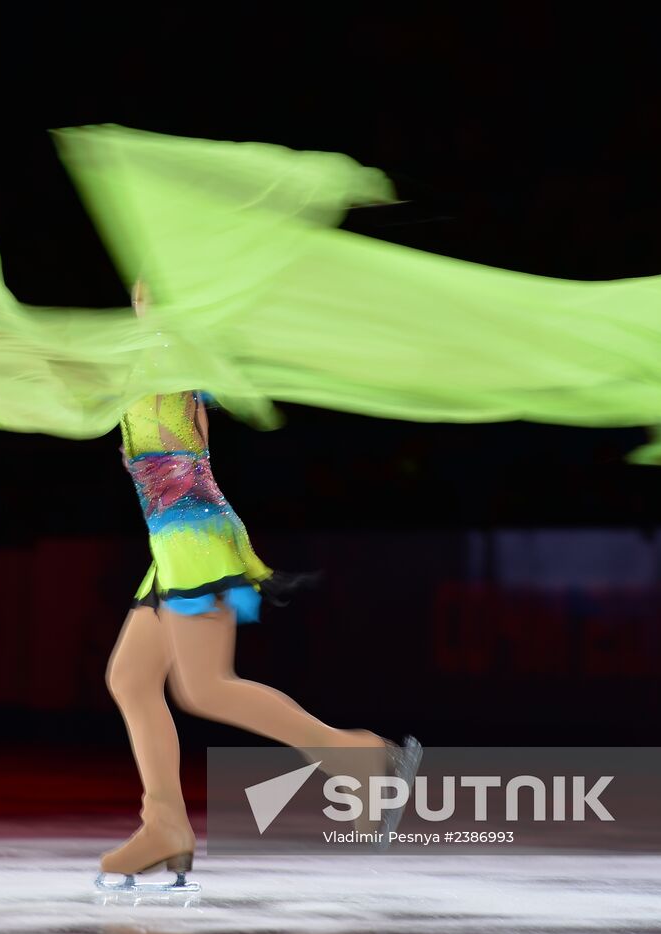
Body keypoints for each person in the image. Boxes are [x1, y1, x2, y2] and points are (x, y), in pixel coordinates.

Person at [97, 280, 419, 887]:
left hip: (192, 542)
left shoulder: (170, 352)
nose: (139, 292)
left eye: (154, 287)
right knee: (132, 678)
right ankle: (164, 824)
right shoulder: (154, 357)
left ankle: (367, 760)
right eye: (139, 286)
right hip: (173, 541)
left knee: (207, 687)